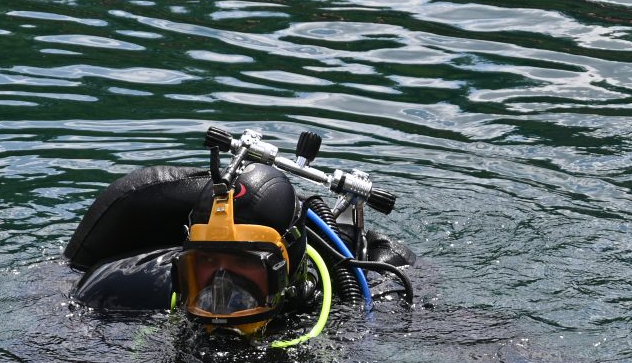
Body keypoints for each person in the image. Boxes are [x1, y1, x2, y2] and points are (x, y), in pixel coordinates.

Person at [65, 128, 414, 348]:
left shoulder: (340, 302)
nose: (221, 292)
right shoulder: (128, 287)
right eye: (203, 267)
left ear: (285, 269)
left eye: (243, 269)